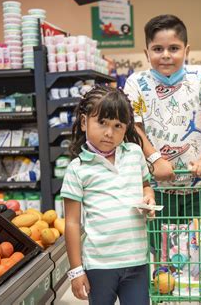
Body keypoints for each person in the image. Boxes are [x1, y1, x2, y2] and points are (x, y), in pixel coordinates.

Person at [62, 85, 155, 305]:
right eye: (101, 123)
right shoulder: (78, 169)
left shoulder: (134, 153)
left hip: (137, 260)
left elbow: (146, 185)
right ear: (84, 122)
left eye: (117, 126)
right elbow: (73, 223)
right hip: (99, 264)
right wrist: (76, 270)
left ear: (126, 128)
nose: (109, 133)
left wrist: (148, 197)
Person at [123, 14, 201, 225]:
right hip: (157, 191)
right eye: (158, 49)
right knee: (164, 254)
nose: (166, 55)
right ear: (146, 53)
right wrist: (155, 159)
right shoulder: (136, 83)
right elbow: (134, 128)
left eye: (174, 48)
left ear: (187, 50)